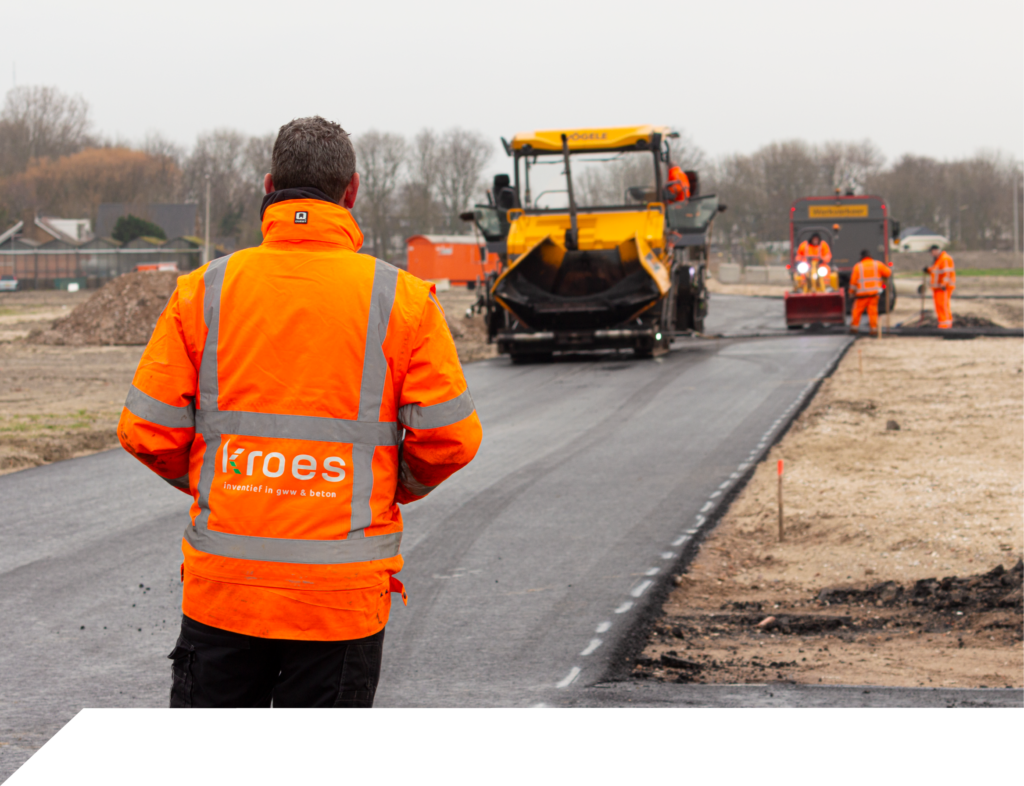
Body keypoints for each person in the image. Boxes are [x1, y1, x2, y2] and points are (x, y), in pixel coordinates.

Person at [118, 116, 482, 709]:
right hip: (337, 601)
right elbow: (450, 439)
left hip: (225, 592)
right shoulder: (404, 301)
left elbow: (146, 431)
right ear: (352, 191)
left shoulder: (202, 292)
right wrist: (383, 485)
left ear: (268, 186)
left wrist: (229, 480)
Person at [848, 249, 892, 334]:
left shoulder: (858, 266)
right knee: (873, 312)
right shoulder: (877, 264)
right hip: (874, 294)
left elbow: (853, 282)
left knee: (856, 311)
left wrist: (851, 293)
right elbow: (888, 273)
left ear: (861, 257)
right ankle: (874, 330)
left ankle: (854, 328)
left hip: (861, 295)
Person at [925, 244, 956, 329]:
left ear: (935, 251)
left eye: (932, 252)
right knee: (938, 306)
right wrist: (928, 270)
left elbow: (947, 273)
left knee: (943, 306)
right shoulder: (939, 259)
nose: (931, 255)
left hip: (943, 287)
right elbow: (936, 270)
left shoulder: (945, 259)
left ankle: (946, 324)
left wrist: (943, 284)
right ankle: (942, 324)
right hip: (937, 288)